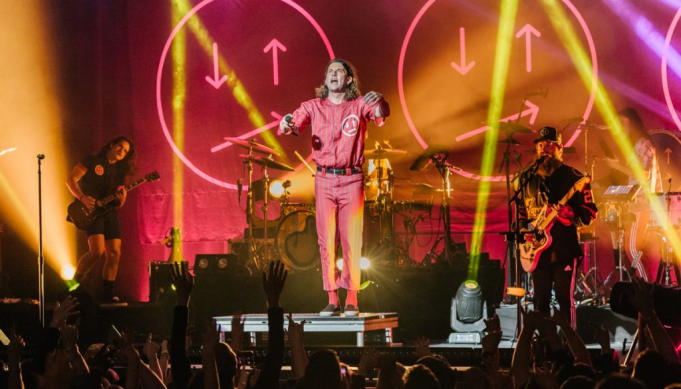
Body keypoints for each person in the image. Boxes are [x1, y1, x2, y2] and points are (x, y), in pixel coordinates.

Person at [279, 59, 390, 317]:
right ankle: (332, 298)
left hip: (352, 178)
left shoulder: (358, 104)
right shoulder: (314, 106)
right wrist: (287, 124)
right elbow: (291, 123)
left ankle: (352, 297)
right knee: (326, 240)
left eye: (339, 71)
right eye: (329, 71)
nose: (333, 74)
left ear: (349, 79)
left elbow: (381, 114)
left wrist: (380, 100)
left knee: (351, 238)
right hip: (324, 179)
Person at [513, 127, 598, 323]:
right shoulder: (525, 179)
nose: (544, 149)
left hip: (564, 249)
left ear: (560, 148)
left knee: (563, 298)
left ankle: (569, 345)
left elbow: (590, 212)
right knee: (540, 301)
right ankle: (543, 346)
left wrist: (572, 215)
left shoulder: (575, 178)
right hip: (537, 251)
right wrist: (524, 231)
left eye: (549, 145)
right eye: (541, 145)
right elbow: (521, 213)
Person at [66, 136, 136, 302]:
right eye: (120, 147)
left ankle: (107, 296)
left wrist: (121, 198)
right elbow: (70, 179)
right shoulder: (92, 161)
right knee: (97, 251)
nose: (122, 151)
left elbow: (119, 201)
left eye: (125, 151)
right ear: (112, 145)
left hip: (109, 213)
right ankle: (73, 286)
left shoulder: (120, 171)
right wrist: (81, 197)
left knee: (114, 253)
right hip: (90, 211)